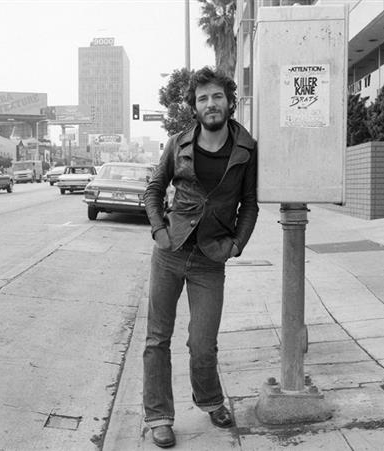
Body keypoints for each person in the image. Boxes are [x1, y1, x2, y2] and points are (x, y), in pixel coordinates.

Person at [142, 66, 259, 448]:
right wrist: (160, 231)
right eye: (203, 98)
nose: (210, 104)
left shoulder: (246, 148)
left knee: (202, 343)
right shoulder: (178, 143)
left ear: (230, 103)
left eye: (217, 97)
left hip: (211, 260)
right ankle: (159, 416)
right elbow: (154, 189)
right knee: (157, 339)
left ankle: (209, 400)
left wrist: (237, 244)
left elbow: (250, 204)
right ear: (195, 106)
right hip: (171, 253)